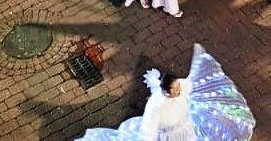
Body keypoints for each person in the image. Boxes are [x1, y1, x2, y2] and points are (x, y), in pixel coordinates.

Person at [78, 44, 255, 140]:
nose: (179, 91)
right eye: (175, 90)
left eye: (178, 87)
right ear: (167, 92)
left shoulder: (182, 88)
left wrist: (199, 60)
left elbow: (193, 81)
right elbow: (148, 133)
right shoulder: (156, 106)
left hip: (188, 131)